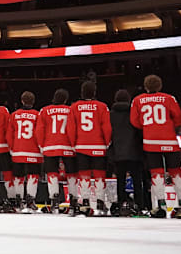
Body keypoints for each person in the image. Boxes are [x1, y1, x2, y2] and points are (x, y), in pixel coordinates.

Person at [130, 74, 181, 218]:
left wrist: (149, 128)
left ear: (145, 86)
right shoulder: (169, 98)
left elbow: (135, 121)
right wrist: (167, 127)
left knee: (156, 174)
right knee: (176, 173)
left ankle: (161, 206)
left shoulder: (138, 100)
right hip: (169, 140)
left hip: (150, 142)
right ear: (160, 85)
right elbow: (178, 118)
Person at [70, 81, 112, 214]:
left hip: (81, 145)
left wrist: (73, 144)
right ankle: (100, 203)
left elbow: (71, 128)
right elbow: (107, 127)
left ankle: (85, 203)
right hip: (98, 145)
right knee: (100, 175)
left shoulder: (74, 107)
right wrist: (107, 142)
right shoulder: (102, 106)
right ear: (94, 92)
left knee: (84, 176)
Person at [38, 89, 77, 214]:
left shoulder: (44, 110)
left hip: (50, 146)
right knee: (71, 174)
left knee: (52, 174)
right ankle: (73, 201)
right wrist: (74, 144)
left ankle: (54, 202)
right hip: (68, 146)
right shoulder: (71, 110)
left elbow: (39, 130)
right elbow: (73, 128)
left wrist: (41, 145)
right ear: (65, 100)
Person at [109, 89, 146, 214]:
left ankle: (121, 204)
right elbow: (140, 130)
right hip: (134, 151)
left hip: (118, 152)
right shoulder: (134, 112)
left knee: (120, 181)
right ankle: (139, 205)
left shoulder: (111, 114)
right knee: (137, 181)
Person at [7, 91, 42, 211]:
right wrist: (41, 147)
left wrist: (11, 148)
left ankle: (19, 200)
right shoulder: (37, 115)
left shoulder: (14, 115)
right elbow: (39, 133)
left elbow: (9, 134)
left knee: (18, 177)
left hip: (18, 150)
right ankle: (30, 200)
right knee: (33, 176)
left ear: (22, 101)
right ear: (33, 102)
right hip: (33, 150)